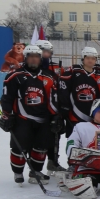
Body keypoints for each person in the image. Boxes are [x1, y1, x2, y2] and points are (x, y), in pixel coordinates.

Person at [0, 44, 61, 185]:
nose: (33, 60)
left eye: (36, 57)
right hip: (22, 117)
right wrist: (6, 114)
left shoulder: (49, 77)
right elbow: (7, 98)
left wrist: (55, 116)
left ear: (40, 59)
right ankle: (18, 172)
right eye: (31, 57)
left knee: (41, 146)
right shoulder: (15, 75)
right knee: (19, 146)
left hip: (43, 118)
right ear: (26, 58)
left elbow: (52, 99)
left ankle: (35, 172)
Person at [35, 40, 66, 174]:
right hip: (37, 110)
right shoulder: (32, 68)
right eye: (42, 51)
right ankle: (35, 167)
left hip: (54, 109)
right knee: (38, 140)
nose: (45, 54)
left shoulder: (57, 68)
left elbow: (62, 87)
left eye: (47, 52)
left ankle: (53, 162)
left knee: (55, 137)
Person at [60, 46, 100, 136]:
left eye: (93, 58)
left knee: (90, 144)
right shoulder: (73, 71)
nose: (90, 60)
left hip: (92, 116)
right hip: (74, 115)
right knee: (74, 143)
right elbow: (63, 89)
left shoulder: (99, 75)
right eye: (87, 58)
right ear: (83, 58)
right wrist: (64, 107)